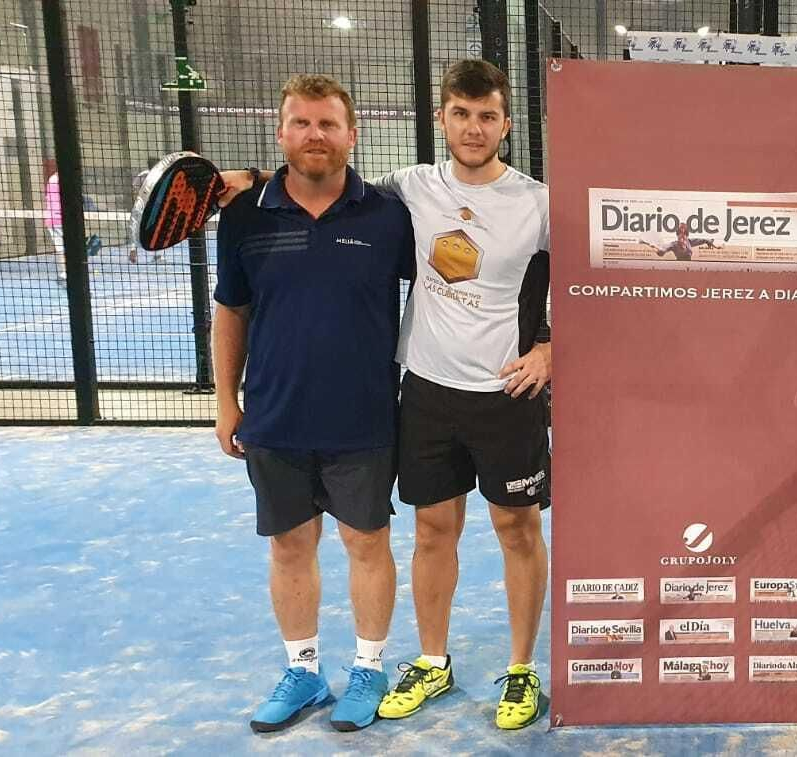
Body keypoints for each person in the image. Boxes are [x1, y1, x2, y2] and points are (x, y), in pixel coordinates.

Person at [218, 58, 553, 731]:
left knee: (516, 526)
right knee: (433, 530)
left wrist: (551, 347)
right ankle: (431, 660)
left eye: (487, 115)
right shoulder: (411, 189)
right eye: (460, 113)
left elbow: (586, 275)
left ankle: (520, 668)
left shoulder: (540, 202)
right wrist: (252, 179)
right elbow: (315, 177)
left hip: (506, 392)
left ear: (506, 122)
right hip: (425, 390)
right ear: (442, 119)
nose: (474, 127)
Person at [211, 74, 413, 733]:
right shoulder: (244, 216)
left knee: (366, 540)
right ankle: (302, 671)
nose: (315, 135)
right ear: (281, 133)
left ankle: (369, 667)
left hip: (364, 417)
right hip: (274, 415)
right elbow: (230, 311)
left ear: (352, 135)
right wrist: (225, 402)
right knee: (289, 545)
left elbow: (449, 278)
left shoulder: (388, 214)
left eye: (328, 124)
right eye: (301, 122)